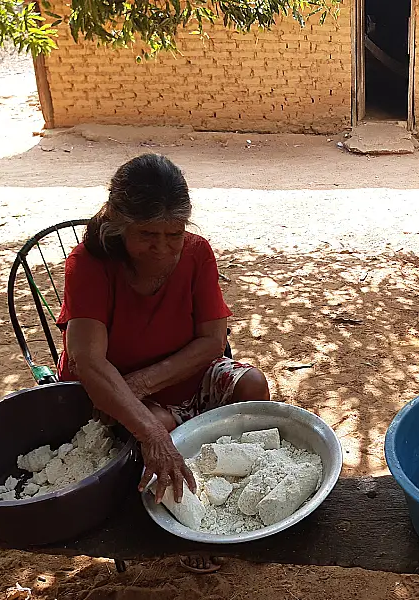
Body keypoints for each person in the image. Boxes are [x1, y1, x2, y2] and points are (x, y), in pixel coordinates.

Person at [57, 153, 270, 573]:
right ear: (119, 225)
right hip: (111, 392)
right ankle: (190, 519)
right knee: (162, 429)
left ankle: (244, 485)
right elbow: (89, 363)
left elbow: (212, 342)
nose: (162, 249)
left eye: (173, 234)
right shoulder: (90, 265)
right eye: (147, 234)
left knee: (251, 384)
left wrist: (145, 381)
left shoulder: (196, 253)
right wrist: (145, 418)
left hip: (177, 376)